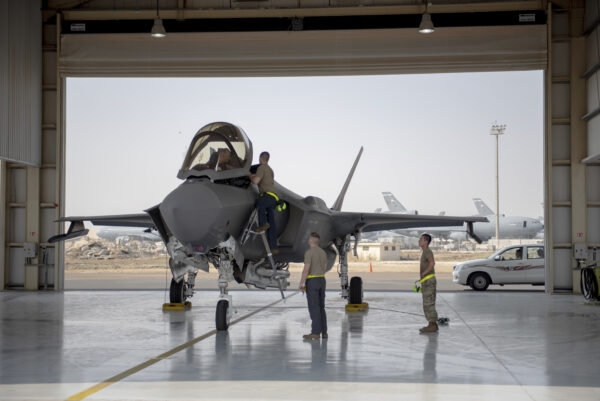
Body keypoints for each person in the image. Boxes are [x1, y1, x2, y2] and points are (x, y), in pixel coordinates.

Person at [299, 232, 328, 340]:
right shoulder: (323, 253)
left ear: (310, 241)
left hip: (312, 281)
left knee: (314, 307)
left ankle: (315, 333)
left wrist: (301, 283)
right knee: (321, 307)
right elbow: (324, 268)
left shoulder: (309, 252)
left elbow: (306, 269)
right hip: (322, 280)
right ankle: (324, 332)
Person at [248, 151, 278, 253]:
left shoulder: (261, 168)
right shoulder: (270, 170)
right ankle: (273, 248)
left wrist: (249, 175)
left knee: (260, 203)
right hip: (273, 198)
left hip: (267, 196)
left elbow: (255, 181)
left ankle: (263, 224)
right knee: (272, 223)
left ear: (261, 158)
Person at [419, 233, 438, 333]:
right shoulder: (424, 252)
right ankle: (432, 324)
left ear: (426, 242)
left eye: (421, 239)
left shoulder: (427, 252)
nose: (419, 241)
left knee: (429, 303)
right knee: (427, 302)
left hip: (429, 281)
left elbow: (432, 263)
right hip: (426, 281)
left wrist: (424, 273)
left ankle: (432, 325)